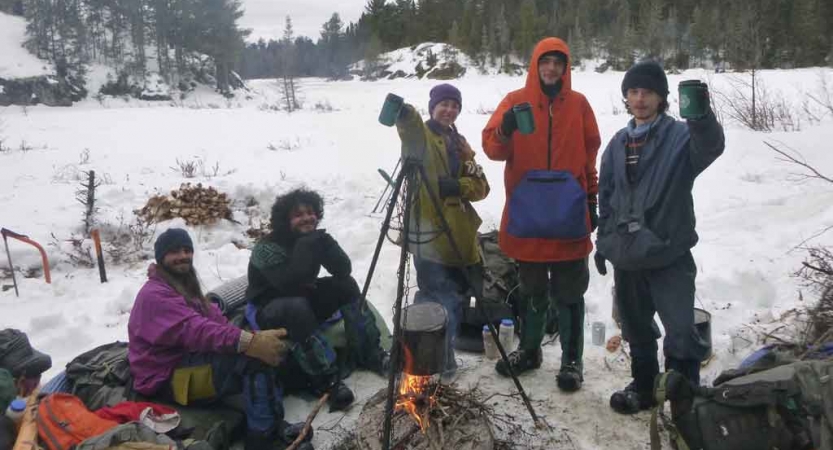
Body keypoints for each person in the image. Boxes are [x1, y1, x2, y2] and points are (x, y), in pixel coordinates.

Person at [594, 61, 725, 414]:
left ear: (662, 98)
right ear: (626, 97)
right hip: (628, 256)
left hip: (669, 253)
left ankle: (685, 401)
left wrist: (700, 117)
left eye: (648, 92)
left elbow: (710, 147)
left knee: (681, 330)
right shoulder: (617, 144)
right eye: (633, 92)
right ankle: (645, 387)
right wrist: (603, 242)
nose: (639, 99)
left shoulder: (680, 137)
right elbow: (606, 197)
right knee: (637, 330)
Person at [481, 38, 600, 392]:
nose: (551, 69)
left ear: (566, 68)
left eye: (558, 63)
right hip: (528, 214)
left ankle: (572, 361)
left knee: (569, 292)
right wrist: (505, 128)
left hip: (568, 214)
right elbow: (492, 149)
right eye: (545, 62)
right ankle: (530, 351)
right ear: (535, 65)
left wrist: (591, 200)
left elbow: (589, 157)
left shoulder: (579, 105)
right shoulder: (515, 102)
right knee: (531, 289)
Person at [128, 228, 311, 450]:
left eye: (187, 250)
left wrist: (252, 338)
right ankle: (262, 439)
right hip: (166, 377)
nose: (183, 256)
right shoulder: (154, 296)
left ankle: (271, 422)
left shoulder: (182, 284)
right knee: (251, 360)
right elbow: (196, 330)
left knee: (254, 345)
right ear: (161, 257)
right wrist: (248, 344)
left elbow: (214, 318)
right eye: (175, 251)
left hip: (185, 357)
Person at [246, 188, 389, 411]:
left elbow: (343, 270)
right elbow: (288, 284)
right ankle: (326, 381)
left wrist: (328, 244)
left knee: (347, 285)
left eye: (310, 212)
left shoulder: (313, 238)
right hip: (269, 309)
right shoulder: (266, 248)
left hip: (302, 298)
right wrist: (306, 245)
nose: (307, 218)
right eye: (298, 214)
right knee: (296, 307)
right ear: (286, 220)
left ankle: (370, 352)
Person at [395, 83, 490, 378]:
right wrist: (403, 112)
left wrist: (458, 184)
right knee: (433, 301)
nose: (449, 110)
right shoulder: (422, 138)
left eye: (454, 105)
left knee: (457, 300)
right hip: (432, 239)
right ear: (432, 107)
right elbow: (409, 129)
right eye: (443, 104)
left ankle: (444, 355)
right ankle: (427, 358)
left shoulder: (459, 142)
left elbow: (482, 187)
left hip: (461, 239)